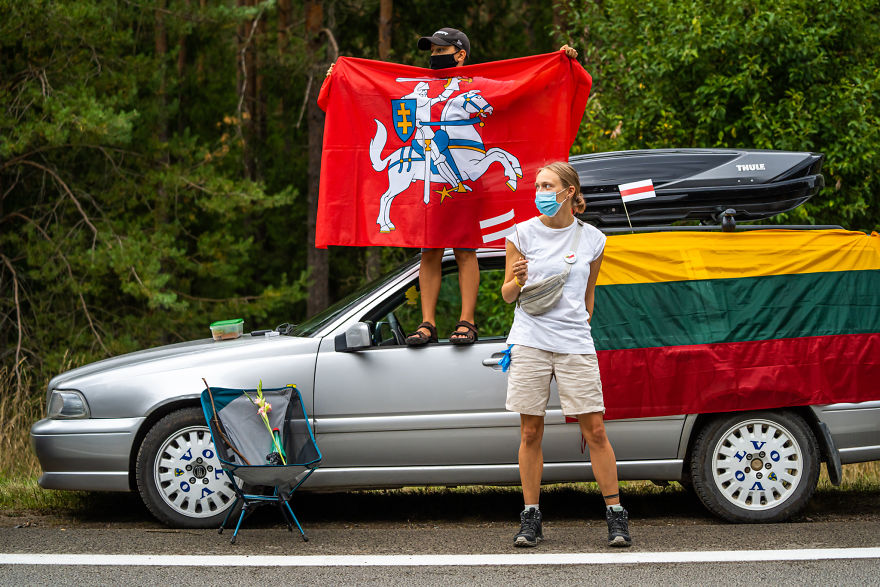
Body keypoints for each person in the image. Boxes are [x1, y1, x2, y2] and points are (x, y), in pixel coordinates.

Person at [327, 30, 578, 347]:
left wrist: (555, 63)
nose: (434, 54)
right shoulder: (418, 84)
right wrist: (342, 78)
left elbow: (519, 86)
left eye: (441, 49)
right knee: (429, 250)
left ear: (460, 54)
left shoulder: (476, 83)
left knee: (464, 248)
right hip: (429, 173)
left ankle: (467, 321)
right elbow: (376, 94)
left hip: (465, 184)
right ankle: (427, 322)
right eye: (432, 49)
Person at [501, 161, 632, 548]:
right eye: (537, 185)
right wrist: (517, 280)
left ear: (570, 192)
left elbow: (589, 296)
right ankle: (530, 517)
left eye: (548, 185)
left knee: (595, 431)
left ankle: (616, 515)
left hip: (575, 343)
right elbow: (508, 295)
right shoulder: (521, 233)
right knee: (530, 431)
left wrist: (575, 325)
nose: (540, 191)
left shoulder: (593, 239)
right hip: (529, 340)